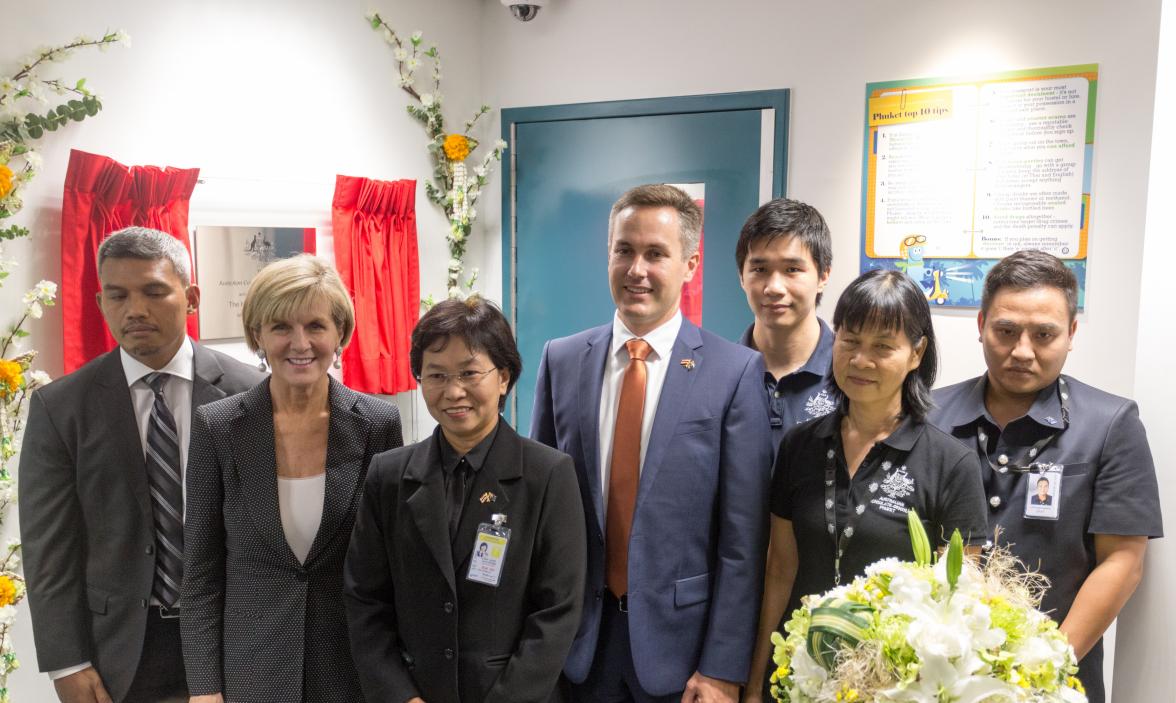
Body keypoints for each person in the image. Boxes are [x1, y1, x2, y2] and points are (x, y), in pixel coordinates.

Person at [531, 184, 773, 702]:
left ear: (689, 264)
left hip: (683, 659)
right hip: (578, 651)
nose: (637, 270)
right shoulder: (562, 360)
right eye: (624, 250)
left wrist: (722, 668)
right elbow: (541, 517)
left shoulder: (734, 372)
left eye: (655, 254)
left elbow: (742, 543)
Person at [18, 226, 264, 703]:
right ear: (100, 303)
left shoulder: (249, 391)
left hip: (233, 636)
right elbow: (49, 549)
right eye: (118, 295)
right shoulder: (61, 407)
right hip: (122, 651)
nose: (135, 310)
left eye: (154, 291)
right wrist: (67, 661)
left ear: (190, 297)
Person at [929, 249, 1163, 702]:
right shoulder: (929, 416)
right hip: (939, 679)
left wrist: (1042, 669)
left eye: (1043, 334)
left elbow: (1123, 561)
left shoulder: (1111, 424)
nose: (1022, 351)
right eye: (1006, 331)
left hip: (1057, 682)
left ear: (1071, 333)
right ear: (981, 326)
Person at [745, 269, 988, 701]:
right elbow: (780, 571)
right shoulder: (800, 445)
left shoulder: (951, 463)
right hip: (797, 674)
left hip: (894, 685)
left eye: (882, 347)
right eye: (850, 340)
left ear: (916, 353)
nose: (860, 360)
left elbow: (957, 605)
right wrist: (754, 683)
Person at [181, 255, 403, 703]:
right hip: (253, 671)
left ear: (339, 333)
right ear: (258, 335)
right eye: (281, 326)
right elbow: (202, 573)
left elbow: (392, 564)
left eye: (316, 326)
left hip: (351, 669)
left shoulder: (379, 423)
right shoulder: (218, 426)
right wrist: (205, 689)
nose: (299, 343)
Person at [344, 296, 586, 703]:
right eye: (435, 375)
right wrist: (399, 696)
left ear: (503, 377)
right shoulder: (388, 475)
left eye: (470, 373)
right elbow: (364, 599)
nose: (453, 391)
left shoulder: (548, 475)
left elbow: (558, 613)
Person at [735, 198, 837, 452]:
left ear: (823, 275)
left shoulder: (851, 372)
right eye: (759, 269)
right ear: (741, 277)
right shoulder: (722, 373)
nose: (774, 288)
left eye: (792, 269)